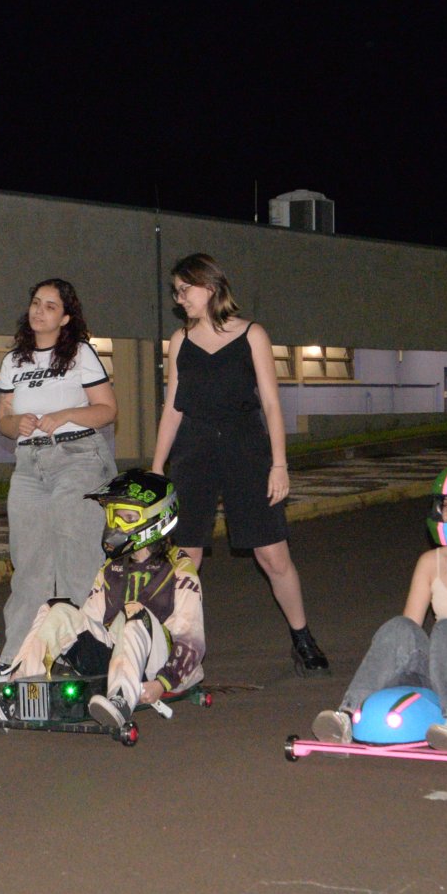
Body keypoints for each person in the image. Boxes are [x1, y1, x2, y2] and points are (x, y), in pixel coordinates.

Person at [150, 252, 328, 674]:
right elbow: (173, 408)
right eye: (175, 292)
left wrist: (279, 465)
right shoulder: (180, 341)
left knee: (272, 554)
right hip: (193, 453)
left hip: (246, 450)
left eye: (185, 289)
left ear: (210, 286)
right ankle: (177, 646)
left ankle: (302, 637)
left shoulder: (252, 334)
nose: (179, 299)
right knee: (185, 557)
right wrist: (157, 468)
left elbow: (271, 404)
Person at [309, 460, 447, 755]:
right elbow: (408, 633)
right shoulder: (430, 562)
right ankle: (348, 714)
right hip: (444, 661)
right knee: (399, 626)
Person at [0, 469, 204, 730]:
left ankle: (120, 702)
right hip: (117, 656)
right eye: (114, 516)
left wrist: (162, 684)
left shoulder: (179, 568)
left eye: (127, 517)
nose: (116, 525)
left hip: (158, 665)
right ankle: (15, 695)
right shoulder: (112, 568)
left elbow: (191, 640)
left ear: (157, 519)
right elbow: (89, 621)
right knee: (57, 609)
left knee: (134, 611)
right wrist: (64, 636)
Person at [0, 278, 118, 669]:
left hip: (77, 457)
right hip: (29, 464)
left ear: (65, 317)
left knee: (76, 557)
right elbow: (3, 419)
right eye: (36, 303)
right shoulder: (14, 361)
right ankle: (18, 657)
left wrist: (64, 415)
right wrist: (15, 424)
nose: (39, 311)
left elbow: (107, 410)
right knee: (29, 564)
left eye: (50, 306)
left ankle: (81, 652)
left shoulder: (81, 353)